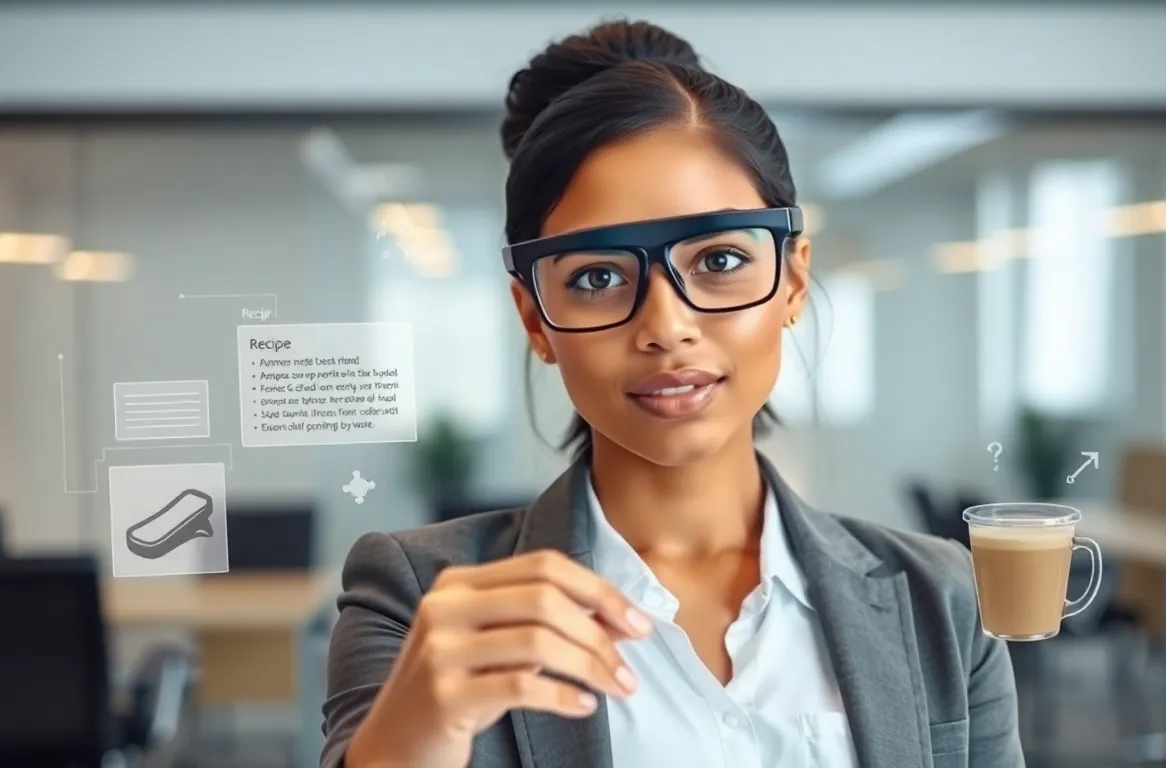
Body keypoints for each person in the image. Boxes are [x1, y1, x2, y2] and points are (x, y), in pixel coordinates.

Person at [322, 19, 1024, 768]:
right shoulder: (421, 600)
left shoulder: (941, 601)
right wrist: (416, 731)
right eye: (596, 277)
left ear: (791, 280)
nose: (666, 326)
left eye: (719, 258)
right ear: (534, 318)